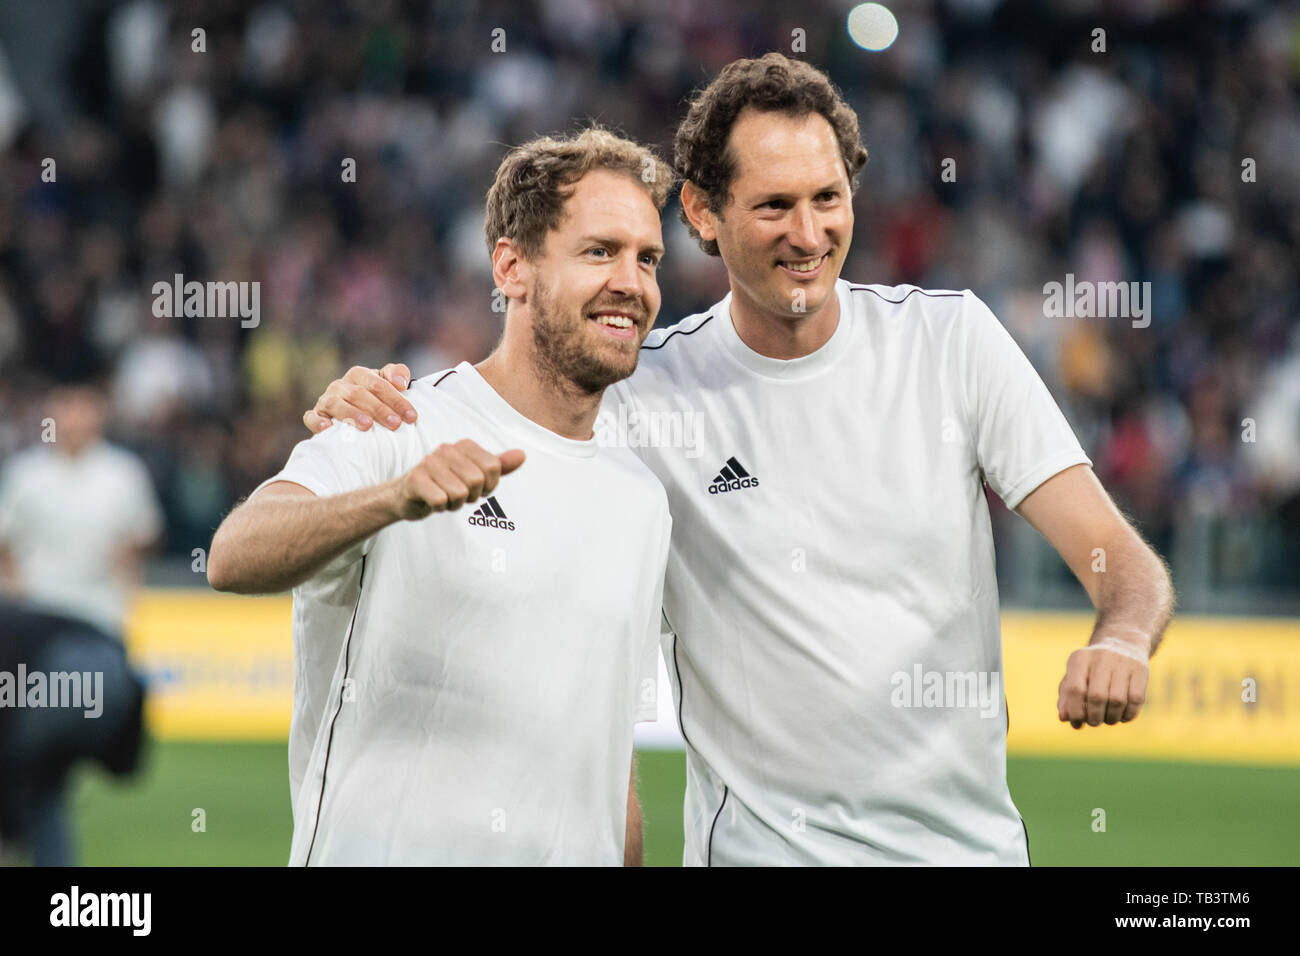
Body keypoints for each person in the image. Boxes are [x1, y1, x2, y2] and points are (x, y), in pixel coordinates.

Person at [307, 54, 1175, 866]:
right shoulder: (642, 395)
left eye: (829, 198)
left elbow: (1118, 560)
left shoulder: (951, 342)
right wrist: (373, 407)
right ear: (700, 213)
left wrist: (1124, 638)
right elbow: (507, 399)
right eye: (773, 206)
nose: (809, 233)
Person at [207, 127, 674, 866]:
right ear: (512, 268)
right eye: (599, 251)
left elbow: (610, 766)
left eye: (647, 258)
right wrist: (391, 501)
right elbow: (233, 555)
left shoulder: (643, 499)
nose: (632, 281)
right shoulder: (395, 421)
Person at [0, 383, 159, 865]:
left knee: (31, 776)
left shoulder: (122, 474)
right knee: (42, 785)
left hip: (90, 638)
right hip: (34, 642)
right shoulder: (27, 474)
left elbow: (138, 544)